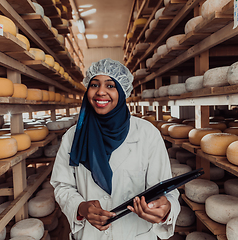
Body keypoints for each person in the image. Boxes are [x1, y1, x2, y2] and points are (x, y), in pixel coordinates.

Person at [50, 58, 180, 240]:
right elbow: (62, 185)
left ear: (122, 91)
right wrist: (81, 207)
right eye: (94, 85)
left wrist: (166, 209)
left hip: (136, 234)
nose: (100, 92)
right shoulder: (73, 136)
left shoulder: (147, 133)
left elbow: (166, 190)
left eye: (110, 86)